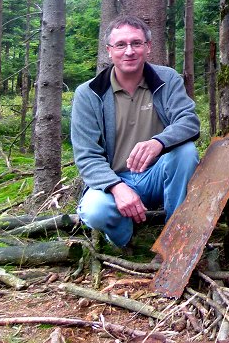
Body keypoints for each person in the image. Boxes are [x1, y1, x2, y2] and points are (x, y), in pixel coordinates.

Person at [71, 14, 200, 248]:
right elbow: (87, 156)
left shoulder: (166, 79)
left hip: (158, 175)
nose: (129, 51)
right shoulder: (89, 93)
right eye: (121, 44)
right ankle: (128, 239)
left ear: (147, 47)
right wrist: (117, 188)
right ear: (109, 50)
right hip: (116, 179)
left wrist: (159, 142)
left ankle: (177, 235)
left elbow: (188, 121)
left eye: (136, 43)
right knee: (94, 211)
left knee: (186, 152)